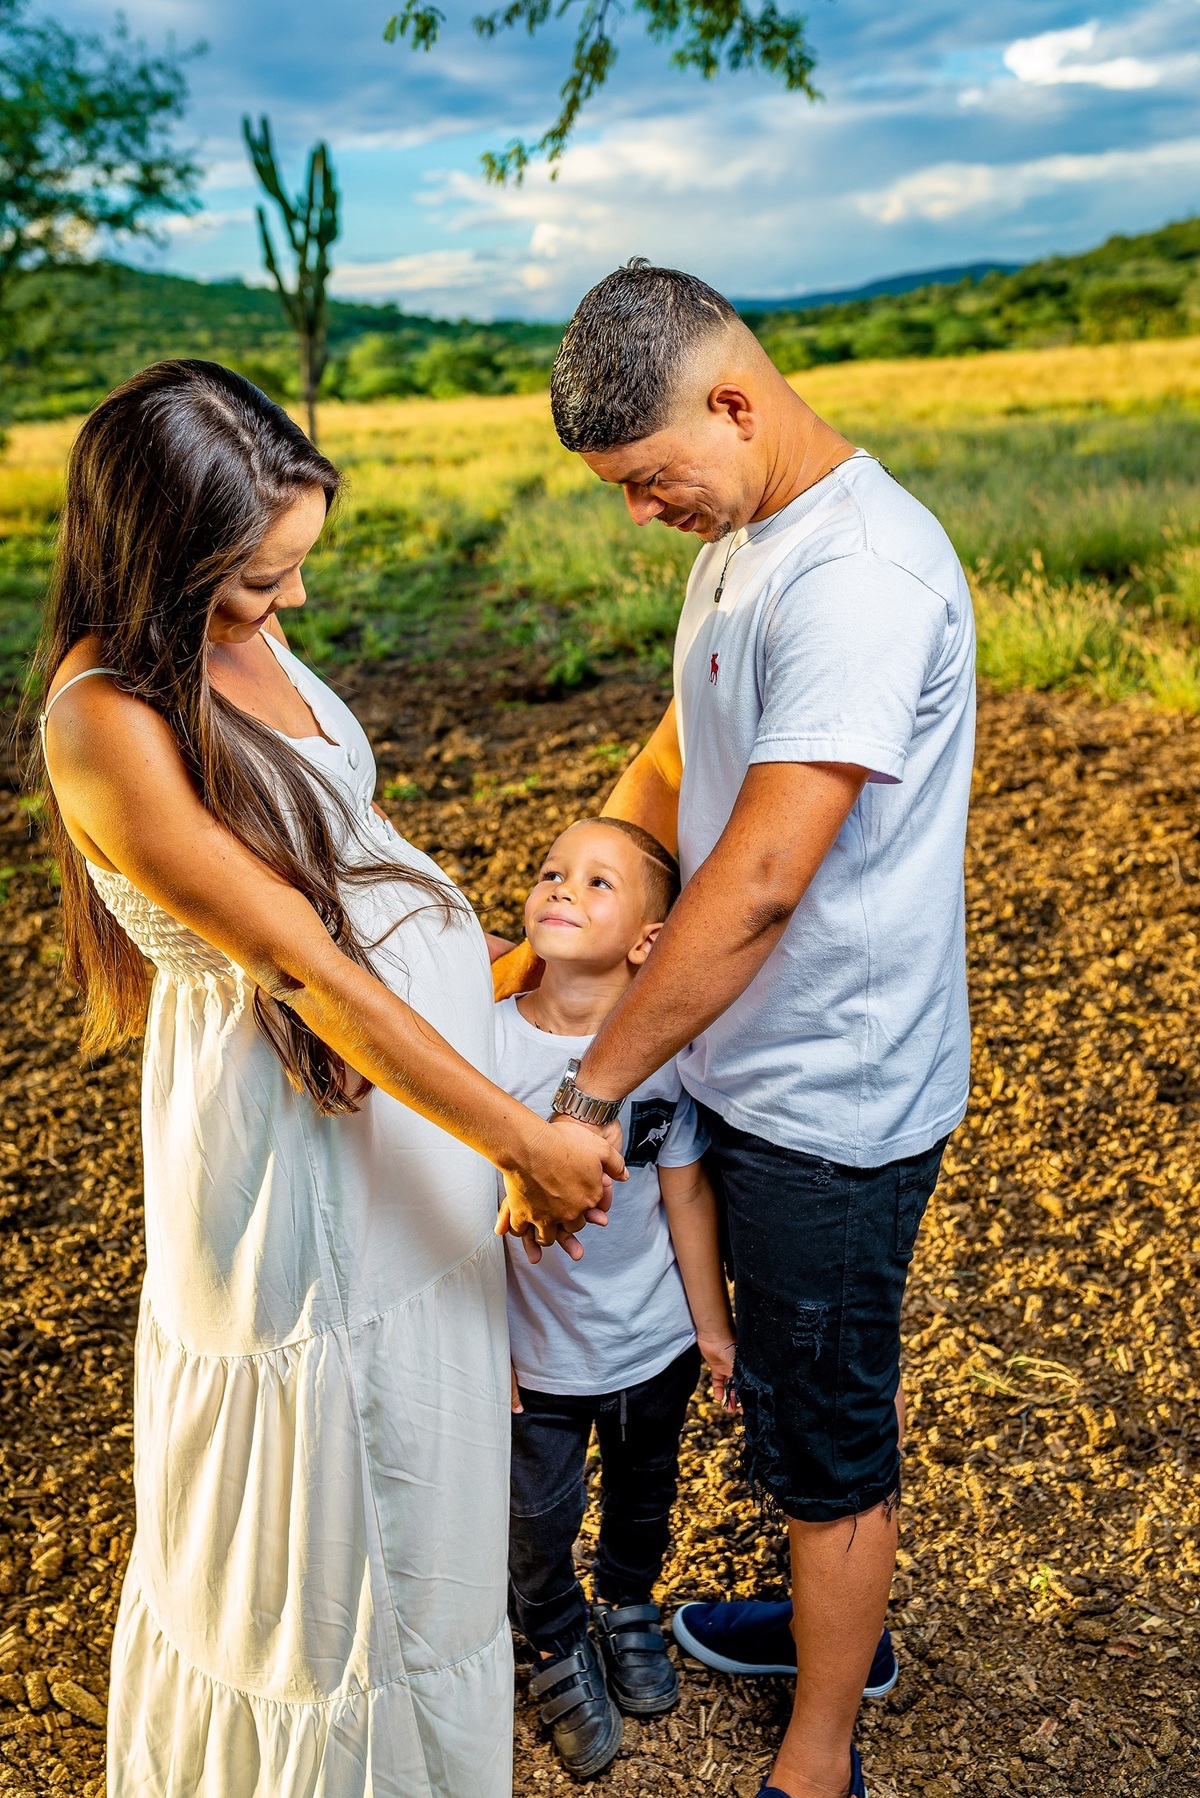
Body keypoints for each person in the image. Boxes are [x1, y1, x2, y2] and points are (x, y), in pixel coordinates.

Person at [35, 361, 622, 1798]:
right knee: (339, 1500)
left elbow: (334, 839)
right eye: (256, 580)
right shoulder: (102, 718)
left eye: (295, 568)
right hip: (291, 1152)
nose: (286, 608)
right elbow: (297, 965)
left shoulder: (235, 634)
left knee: (423, 1472)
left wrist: (461, 958)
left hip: (386, 1110)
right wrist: (519, 1143)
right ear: (161, 557)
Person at [496, 261, 974, 1798]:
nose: (644, 515)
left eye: (650, 481)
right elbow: (674, 753)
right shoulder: (750, 533)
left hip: (831, 1099)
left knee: (825, 1426)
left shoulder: (860, 577)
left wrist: (589, 1084)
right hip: (746, 1069)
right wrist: (543, 938)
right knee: (789, 1379)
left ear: (731, 400)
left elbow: (764, 875)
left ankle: (821, 1750)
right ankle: (828, 1614)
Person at [496, 817, 736, 1778]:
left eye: (598, 883)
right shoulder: (488, 1047)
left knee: (644, 1497)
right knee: (536, 1519)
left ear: (647, 941)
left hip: (652, 1344)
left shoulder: (664, 1055)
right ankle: (553, 1638)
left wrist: (711, 1330)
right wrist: (480, 1346)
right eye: (553, 871)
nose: (562, 888)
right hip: (535, 1355)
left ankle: (629, 1603)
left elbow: (685, 1192)